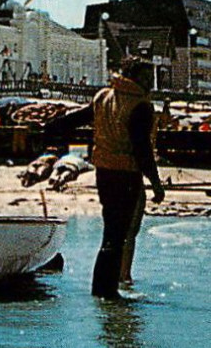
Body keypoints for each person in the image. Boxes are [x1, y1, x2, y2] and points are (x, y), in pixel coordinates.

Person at [45, 59, 165, 300]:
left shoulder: (104, 96)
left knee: (110, 232)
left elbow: (78, 118)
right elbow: (141, 149)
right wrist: (156, 183)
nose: (150, 83)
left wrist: (49, 127)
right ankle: (108, 292)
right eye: (146, 77)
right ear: (134, 77)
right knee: (117, 236)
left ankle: (101, 290)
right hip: (126, 174)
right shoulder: (139, 105)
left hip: (104, 172)